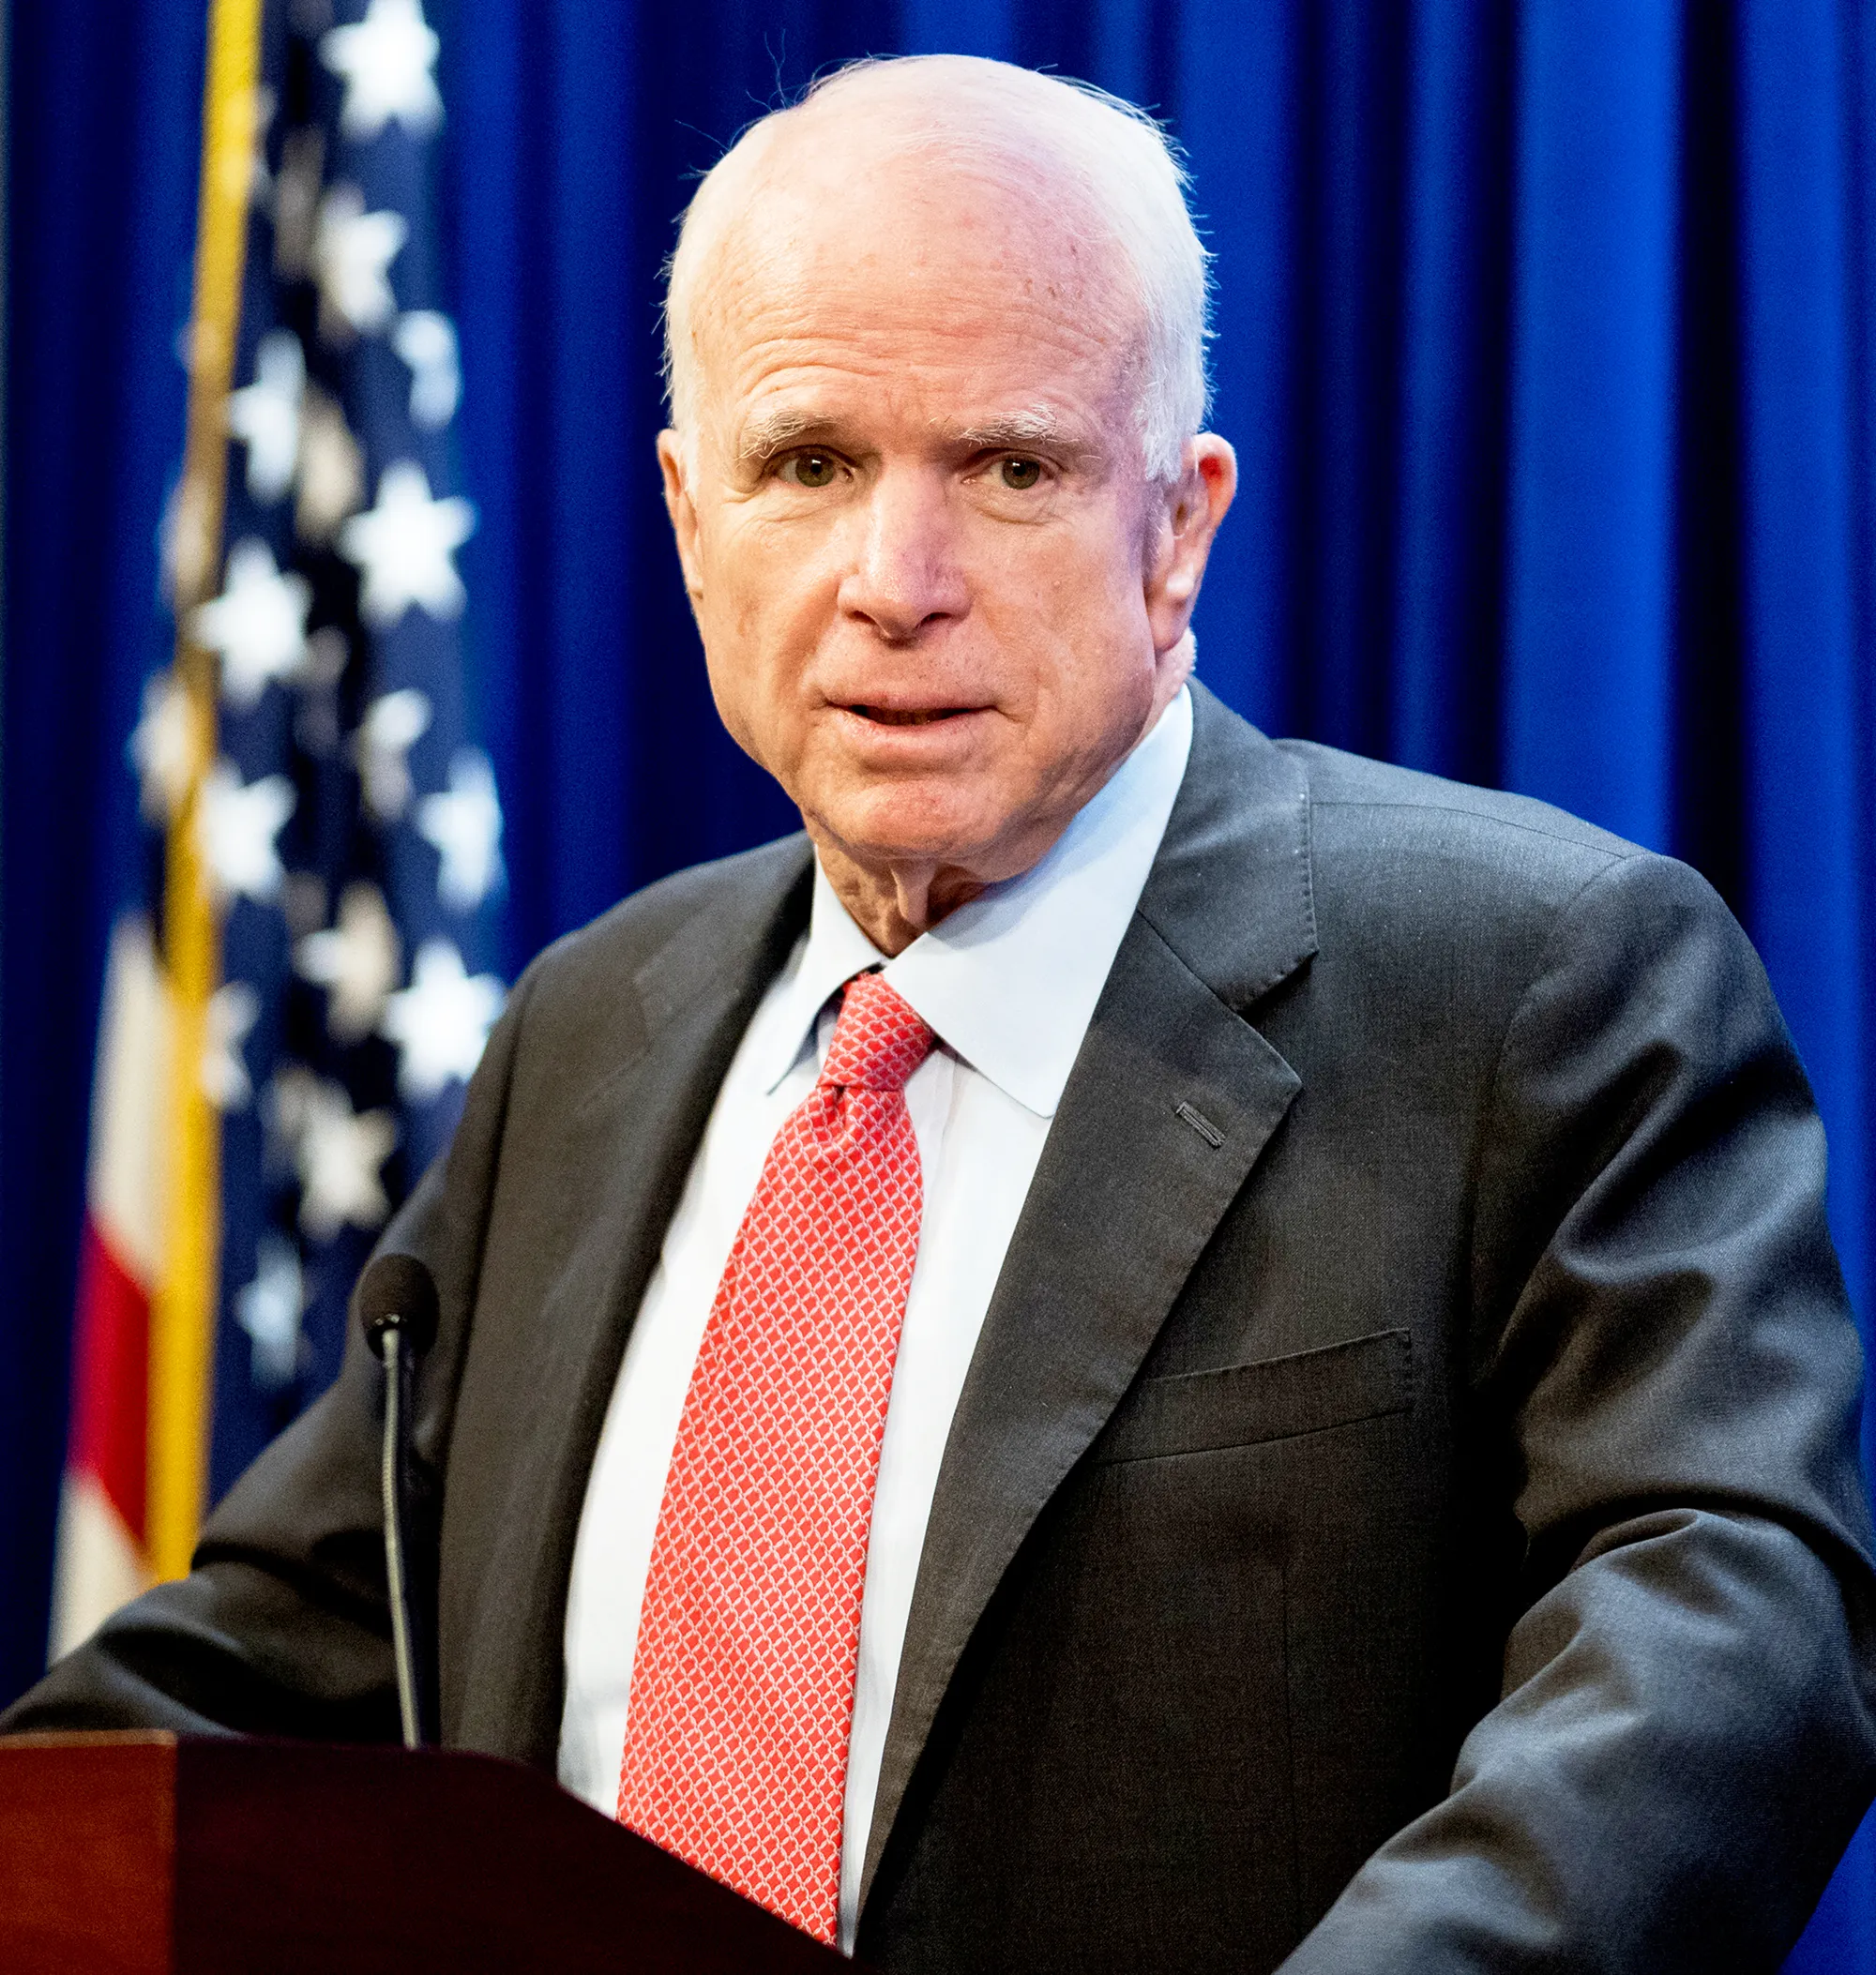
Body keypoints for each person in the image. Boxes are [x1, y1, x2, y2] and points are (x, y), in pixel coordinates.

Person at [7, 53, 1874, 1974]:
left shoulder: (1533, 978)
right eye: (808, 465)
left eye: (1010, 468)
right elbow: (258, 1683)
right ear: (686, 519)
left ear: (1176, 528)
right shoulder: (597, 1028)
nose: (895, 584)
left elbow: (1726, 1633)